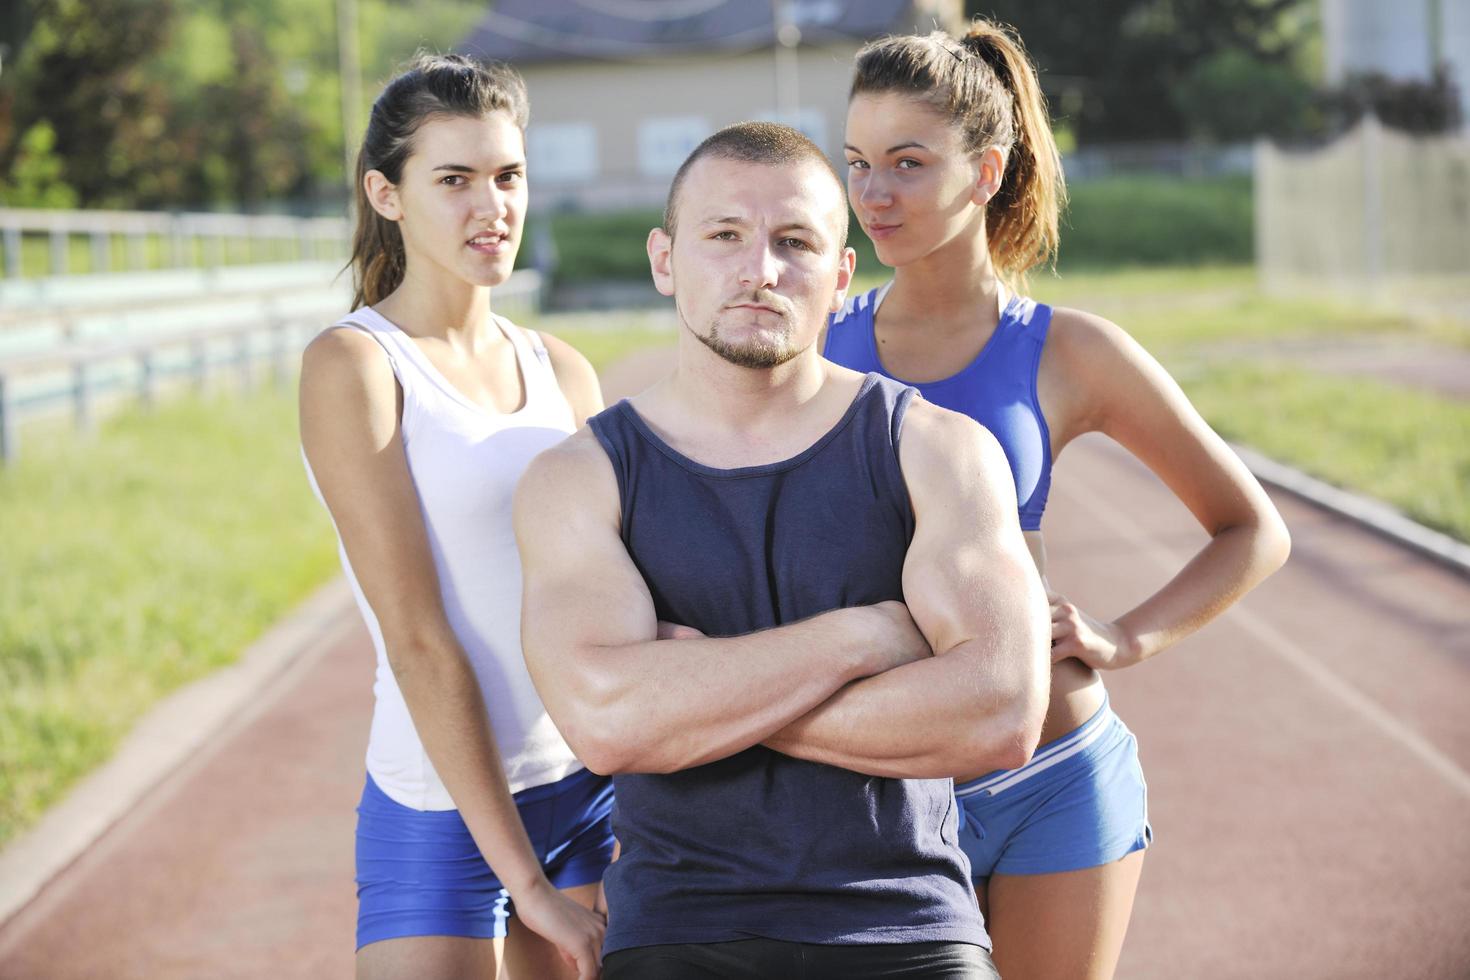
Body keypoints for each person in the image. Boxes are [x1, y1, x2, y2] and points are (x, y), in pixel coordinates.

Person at [513, 121, 1052, 980]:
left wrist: (698, 702)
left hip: (906, 928)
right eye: (724, 235)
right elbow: (609, 722)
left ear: (841, 278)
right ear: (665, 260)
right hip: (679, 929)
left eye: (794, 242)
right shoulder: (582, 476)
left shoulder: (937, 451)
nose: (759, 269)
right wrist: (863, 640)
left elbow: (1001, 710)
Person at [826, 20, 1294, 979]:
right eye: (858, 163)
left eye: (908, 163)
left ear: (986, 169)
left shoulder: (1069, 351)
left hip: (1056, 776)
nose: (873, 194)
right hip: (876, 789)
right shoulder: (819, 343)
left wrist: (1128, 637)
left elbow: (1252, 529)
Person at [298, 54, 611, 980]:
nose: (493, 206)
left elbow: (617, 593)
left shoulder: (563, 371)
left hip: (583, 793)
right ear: (385, 195)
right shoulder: (357, 367)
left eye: (508, 176)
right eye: (455, 180)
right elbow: (420, 640)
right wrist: (529, 883)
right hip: (442, 807)